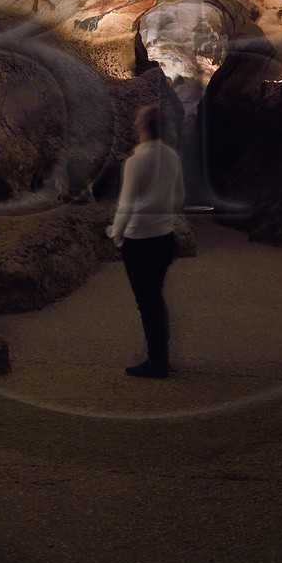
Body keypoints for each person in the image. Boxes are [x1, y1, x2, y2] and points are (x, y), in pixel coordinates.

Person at [107, 103, 184, 378]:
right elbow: (178, 198)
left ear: (143, 128)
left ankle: (157, 362)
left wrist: (115, 234)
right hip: (164, 238)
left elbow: (126, 205)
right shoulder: (172, 157)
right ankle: (160, 355)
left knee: (147, 303)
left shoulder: (136, 162)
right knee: (155, 298)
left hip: (139, 240)